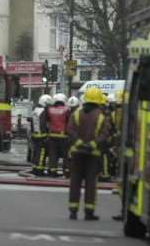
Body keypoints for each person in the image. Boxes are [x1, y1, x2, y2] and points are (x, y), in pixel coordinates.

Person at [66, 87, 110, 220]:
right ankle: (88, 212)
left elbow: (70, 129)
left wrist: (79, 143)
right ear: (98, 100)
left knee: (75, 182)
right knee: (91, 183)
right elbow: (105, 134)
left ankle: (73, 211)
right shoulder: (102, 116)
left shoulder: (76, 113)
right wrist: (93, 144)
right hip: (93, 155)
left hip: (77, 153)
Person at [46, 93, 70, 177]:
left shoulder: (50, 109)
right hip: (63, 136)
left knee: (53, 154)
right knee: (66, 155)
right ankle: (66, 172)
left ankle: (52, 171)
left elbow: (48, 120)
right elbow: (68, 121)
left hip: (52, 135)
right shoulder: (66, 110)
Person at [29, 94, 51, 176]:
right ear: (45, 103)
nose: (49, 106)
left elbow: (32, 123)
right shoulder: (43, 111)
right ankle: (39, 170)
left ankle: (35, 168)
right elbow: (43, 124)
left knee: (36, 153)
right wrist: (47, 134)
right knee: (42, 153)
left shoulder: (35, 110)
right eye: (48, 104)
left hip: (35, 135)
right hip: (42, 136)